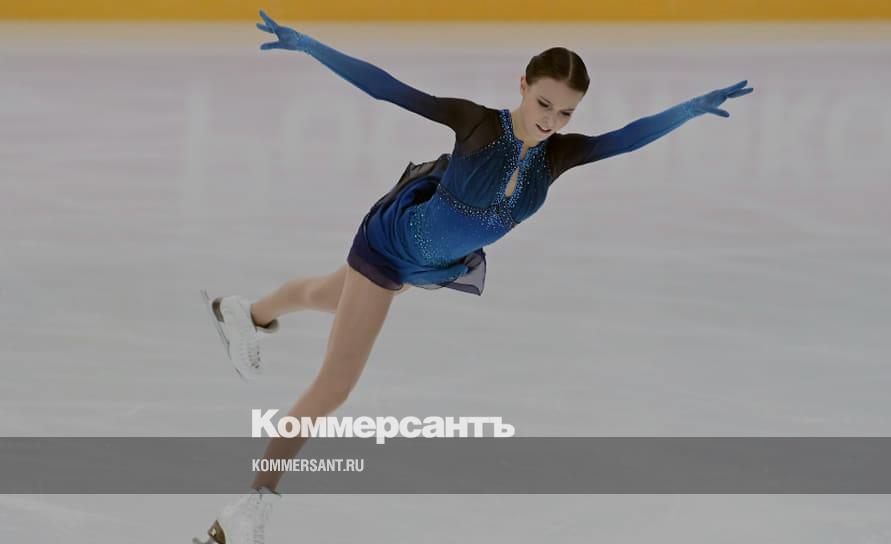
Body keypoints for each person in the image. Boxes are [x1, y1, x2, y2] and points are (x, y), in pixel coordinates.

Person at [194, 9, 753, 544]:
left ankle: (246, 313)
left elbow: (627, 137)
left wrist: (690, 109)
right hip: (390, 246)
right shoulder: (478, 123)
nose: (551, 120)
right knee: (334, 386)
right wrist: (310, 46)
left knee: (327, 294)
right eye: (544, 103)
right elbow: (389, 89)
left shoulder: (557, 157)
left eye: (565, 113)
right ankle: (249, 507)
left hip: (429, 264)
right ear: (522, 85)